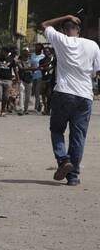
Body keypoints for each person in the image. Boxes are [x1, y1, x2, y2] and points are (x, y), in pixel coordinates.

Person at [40, 14, 100, 186]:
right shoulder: (92, 45)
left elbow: (44, 23)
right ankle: (73, 177)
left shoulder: (61, 40)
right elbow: (97, 71)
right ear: (78, 30)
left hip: (63, 93)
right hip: (85, 96)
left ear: (63, 30)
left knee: (57, 130)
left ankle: (63, 160)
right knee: (78, 136)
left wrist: (66, 16)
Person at [0, 47, 18, 117]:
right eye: (1, 51)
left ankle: (3, 110)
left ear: (7, 52)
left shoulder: (11, 60)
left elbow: (15, 70)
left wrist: (17, 79)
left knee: (6, 97)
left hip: (8, 80)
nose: (2, 53)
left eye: (3, 51)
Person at [17, 48, 35, 115]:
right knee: (22, 94)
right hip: (22, 79)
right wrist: (31, 69)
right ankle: (21, 109)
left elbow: (34, 69)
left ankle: (26, 109)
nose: (26, 54)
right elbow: (21, 69)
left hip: (29, 80)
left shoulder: (31, 61)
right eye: (24, 53)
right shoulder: (19, 61)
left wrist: (31, 69)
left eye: (27, 53)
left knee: (28, 96)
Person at [30, 43, 45, 113]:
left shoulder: (43, 56)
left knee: (37, 92)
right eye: (36, 47)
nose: (36, 49)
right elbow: (31, 64)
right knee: (35, 92)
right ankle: (39, 104)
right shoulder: (33, 55)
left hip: (40, 75)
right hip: (33, 76)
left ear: (41, 49)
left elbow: (44, 66)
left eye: (38, 48)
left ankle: (36, 107)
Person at [40, 46, 55, 115]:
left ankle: (49, 109)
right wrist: (45, 68)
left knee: (49, 95)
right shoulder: (41, 60)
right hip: (43, 78)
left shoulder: (52, 59)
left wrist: (47, 68)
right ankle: (45, 108)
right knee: (43, 94)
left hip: (51, 78)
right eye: (45, 51)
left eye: (48, 51)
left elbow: (53, 67)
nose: (47, 52)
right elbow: (41, 67)